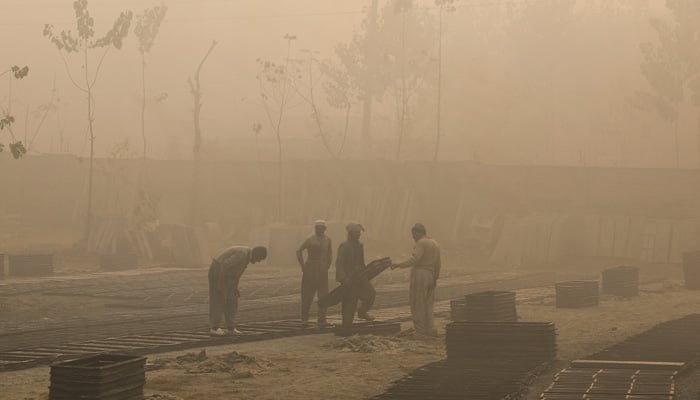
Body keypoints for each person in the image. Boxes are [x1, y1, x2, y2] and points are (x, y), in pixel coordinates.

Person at [391, 223, 441, 336]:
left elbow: (415, 259)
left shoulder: (421, 243)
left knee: (418, 302)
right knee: (428, 303)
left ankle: (421, 330)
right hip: (431, 274)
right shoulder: (434, 243)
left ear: (418, 232)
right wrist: (435, 277)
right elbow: (438, 263)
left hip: (420, 274)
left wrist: (399, 264)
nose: (413, 237)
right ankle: (431, 328)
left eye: (414, 234)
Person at [209, 245, 267, 335]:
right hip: (218, 273)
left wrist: (235, 287)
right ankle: (214, 328)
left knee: (232, 300)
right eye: (259, 259)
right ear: (256, 254)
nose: (257, 262)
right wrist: (219, 284)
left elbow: (238, 272)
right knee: (219, 300)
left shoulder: (247, 257)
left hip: (229, 277)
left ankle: (231, 328)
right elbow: (222, 266)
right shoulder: (242, 254)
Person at [335, 222, 376, 327]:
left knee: (371, 293)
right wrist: (344, 279)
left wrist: (367, 272)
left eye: (359, 232)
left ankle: (362, 312)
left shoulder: (360, 245)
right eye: (356, 232)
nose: (359, 234)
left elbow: (361, 262)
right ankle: (346, 326)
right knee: (350, 302)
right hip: (349, 279)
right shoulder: (344, 246)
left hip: (360, 277)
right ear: (350, 233)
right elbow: (339, 264)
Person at [296, 220, 333, 326]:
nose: (319, 230)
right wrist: (303, 266)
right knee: (307, 293)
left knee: (323, 294)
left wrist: (327, 265)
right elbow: (298, 250)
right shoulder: (309, 239)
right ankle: (304, 319)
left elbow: (330, 254)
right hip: (310, 268)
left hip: (322, 269)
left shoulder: (328, 239)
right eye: (317, 228)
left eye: (321, 228)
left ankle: (322, 318)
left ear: (325, 229)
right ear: (315, 228)